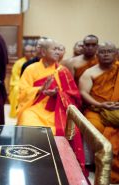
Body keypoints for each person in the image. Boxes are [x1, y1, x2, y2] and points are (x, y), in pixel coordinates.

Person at [16, 39, 85, 170]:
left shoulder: (63, 71)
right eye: (54, 49)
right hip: (34, 107)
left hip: (56, 109)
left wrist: (58, 94)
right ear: (43, 51)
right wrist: (40, 89)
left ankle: (62, 164)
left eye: (59, 49)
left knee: (70, 128)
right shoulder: (31, 69)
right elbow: (22, 91)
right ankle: (31, 159)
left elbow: (74, 94)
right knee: (27, 119)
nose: (58, 52)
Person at [79, 42, 119, 183]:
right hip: (96, 109)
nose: (106, 54)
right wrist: (101, 104)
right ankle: (99, 165)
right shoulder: (90, 72)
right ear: (97, 54)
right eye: (102, 51)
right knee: (94, 128)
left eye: (110, 51)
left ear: (116, 54)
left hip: (117, 109)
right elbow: (83, 92)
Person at [8, 44, 34, 118]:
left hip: (32, 83)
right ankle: (15, 112)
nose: (29, 53)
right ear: (24, 52)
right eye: (27, 51)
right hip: (20, 82)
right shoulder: (18, 63)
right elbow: (15, 76)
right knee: (17, 90)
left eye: (31, 51)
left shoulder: (35, 62)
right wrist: (22, 84)